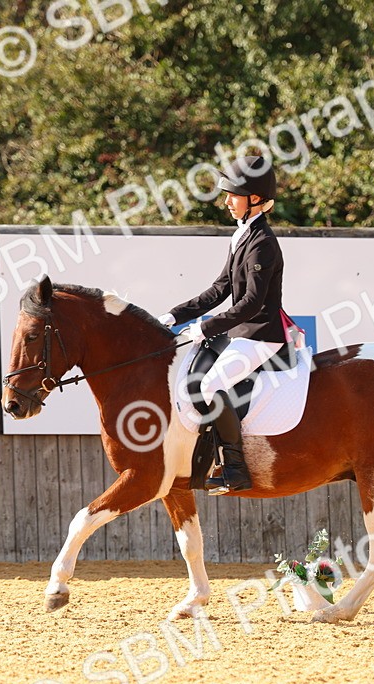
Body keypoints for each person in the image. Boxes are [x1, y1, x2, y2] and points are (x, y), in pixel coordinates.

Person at [158, 155, 286, 495]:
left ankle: (235, 468)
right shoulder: (242, 235)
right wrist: (175, 315)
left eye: (233, 195)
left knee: (211, 385)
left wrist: (205, 328)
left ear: (255, 199)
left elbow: (252, 303)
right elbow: (220, 289)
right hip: (241, 333)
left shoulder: (263, 243)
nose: (227, 201)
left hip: (261, 335)